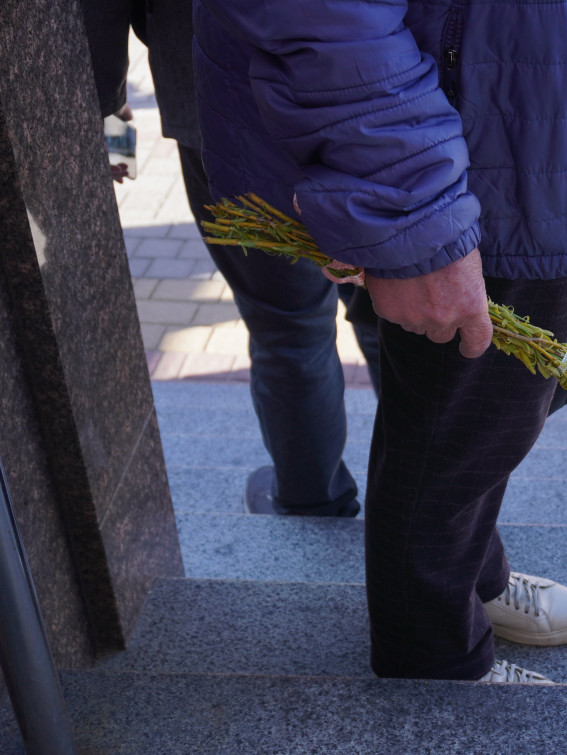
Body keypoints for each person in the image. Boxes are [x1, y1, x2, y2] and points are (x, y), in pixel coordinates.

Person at [193, 0, 567, 683]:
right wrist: (415, 214)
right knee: (454, 438)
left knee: (482, 425)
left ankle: (474, 579)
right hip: (482, 148)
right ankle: (437, 666)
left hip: (564, 120)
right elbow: (325, 14)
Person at [81, 0, 382, 520]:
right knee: (388, 314)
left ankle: (311, 498)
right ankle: (417, 499)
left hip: (216, 96)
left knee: (287, 324)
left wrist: (102, 100)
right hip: (371, 94)